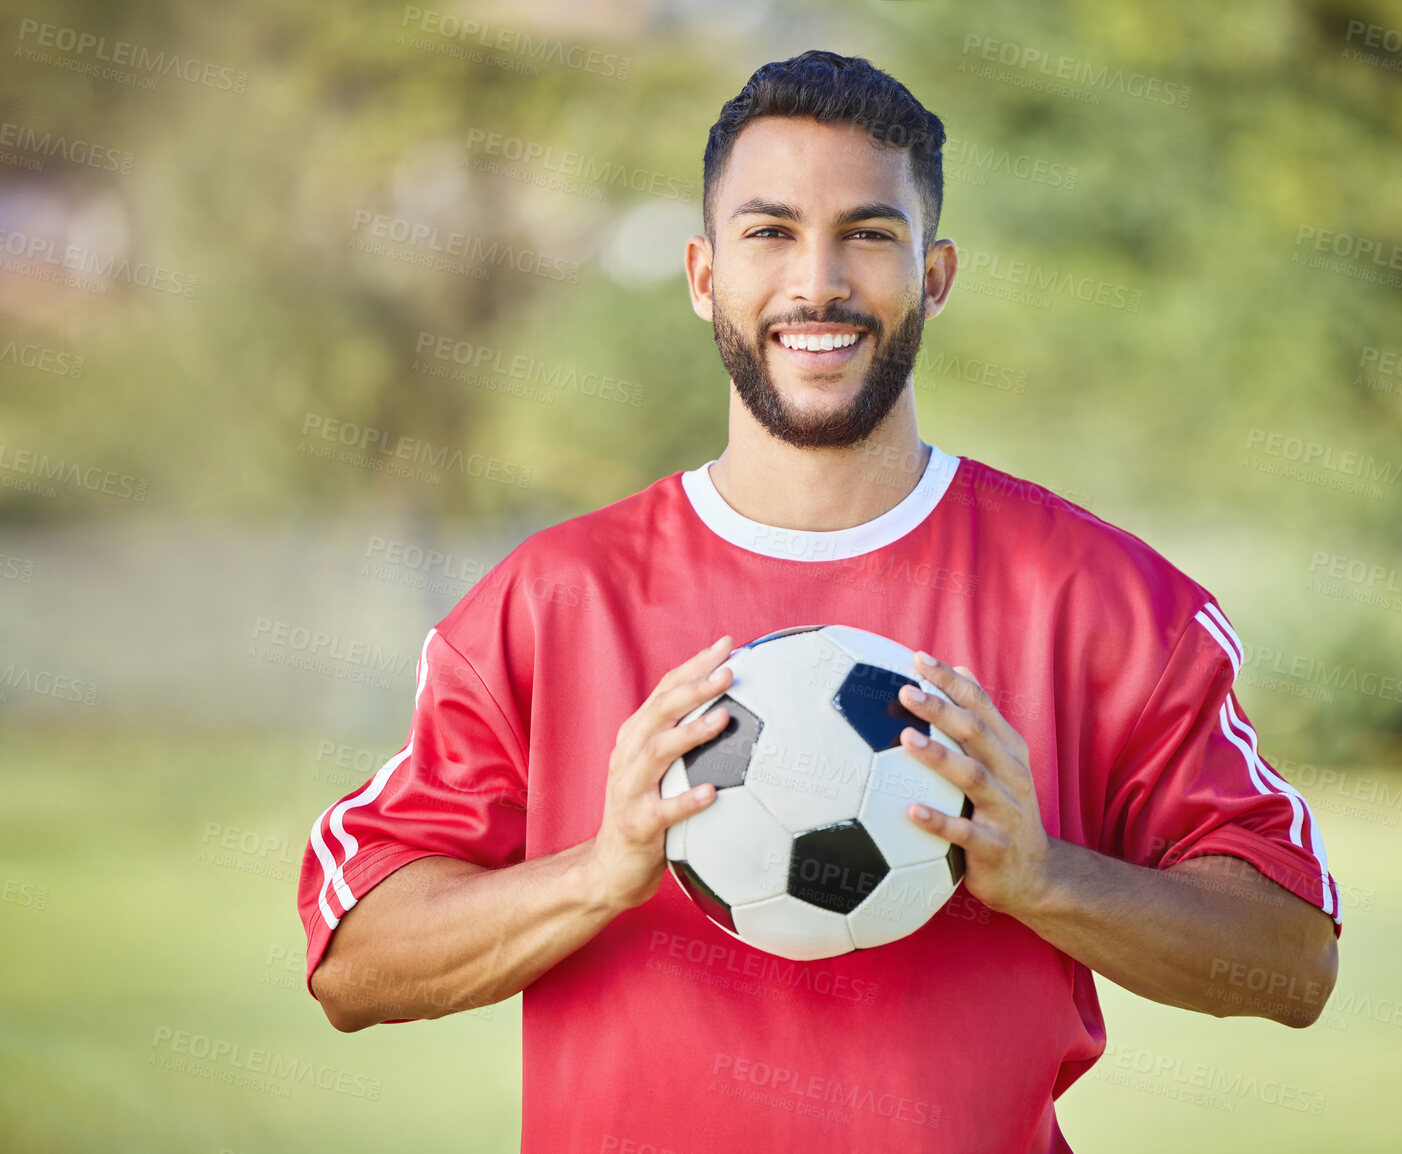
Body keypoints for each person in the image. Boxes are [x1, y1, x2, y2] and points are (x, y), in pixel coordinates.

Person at [297, 49, 1340, 1153]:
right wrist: (596, 872)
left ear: (933, 274)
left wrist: (1047, 877)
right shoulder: (555, 600)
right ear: (703, 273)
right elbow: (356, 963)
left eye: (868, 234)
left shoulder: (1104, 600)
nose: (817, 282)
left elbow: (1289, 960)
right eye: (770, 232)